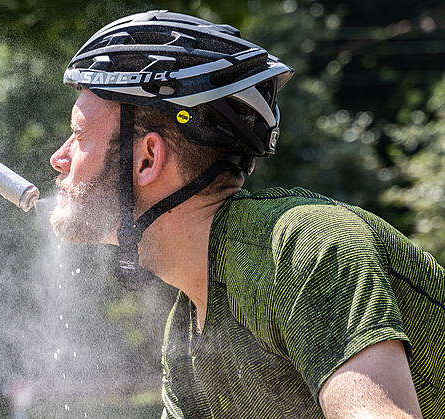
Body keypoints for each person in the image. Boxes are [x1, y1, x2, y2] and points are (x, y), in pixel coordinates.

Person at [48, 10, 444, 418]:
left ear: (147, 158)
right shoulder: (187, 338)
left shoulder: (306, 246)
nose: (58, 157)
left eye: (79, 134)